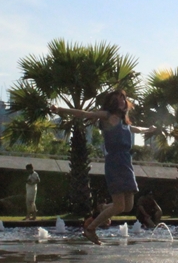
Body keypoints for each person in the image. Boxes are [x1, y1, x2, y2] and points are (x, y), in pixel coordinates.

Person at [50, 90, 157, 244]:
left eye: (123, 98)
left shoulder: (124, 121)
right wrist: (60, 109)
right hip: (115, 161)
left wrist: (149, 129)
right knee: (119, 206)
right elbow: (84, 113)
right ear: (112, 101)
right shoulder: (107, 116)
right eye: (118, 98)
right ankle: (91, 228)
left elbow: (137, 129)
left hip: (126, 162)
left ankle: (103, 207)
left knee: (127, 206)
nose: (122, 100)